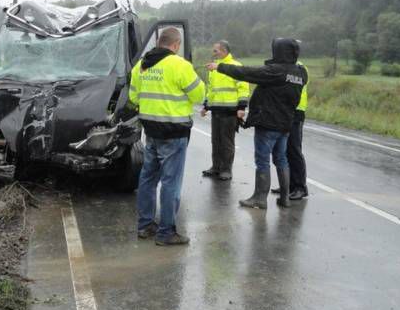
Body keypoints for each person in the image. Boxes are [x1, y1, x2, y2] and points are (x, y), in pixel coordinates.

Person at [206, 38, 307, 210]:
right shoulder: (300, 72)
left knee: (262, 161)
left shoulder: (276, 71)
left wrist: (220, 67)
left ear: (281, 52)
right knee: (281, 159)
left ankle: (260, 198)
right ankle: (285, 198)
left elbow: (247, 73)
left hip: (268, 122)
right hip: (286, 123)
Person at [129, 27, 205, 245]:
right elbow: (199, 94)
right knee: (171, 182)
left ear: (159, 42)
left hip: (151, 132)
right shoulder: (180, 65)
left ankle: (145, 225)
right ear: (176, 45)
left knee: (148, 178)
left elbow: (134, 97)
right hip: (174, 133)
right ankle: (166, 233)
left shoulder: (141, 65)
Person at [200, 40, 250, 181]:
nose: (213, 53)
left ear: (224, 51)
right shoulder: (214, 69)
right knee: (215, 141)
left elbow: (243, 89)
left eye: (215, 50)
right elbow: (211, 90)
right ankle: (216, 167)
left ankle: (226, 170)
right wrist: (205, 106)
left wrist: (241, 107)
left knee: (227, 142)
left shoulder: (236, 66)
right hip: (216, 111)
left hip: (230, 112)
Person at [272, 62, 309, 200]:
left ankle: (300, 187)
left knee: (294, 150)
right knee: (284, 150)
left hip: (296, 111)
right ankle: (287, 185)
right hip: (284, 112)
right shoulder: (284, 66)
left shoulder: (299, 68)